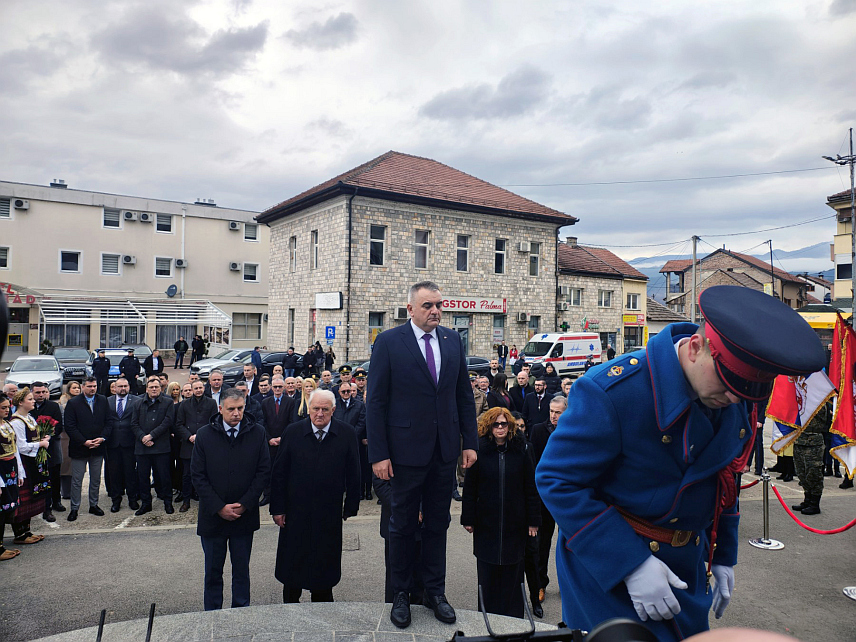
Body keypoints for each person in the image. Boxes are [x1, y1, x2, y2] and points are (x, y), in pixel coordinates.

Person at [535, 286, 827, 640]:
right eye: (728, 382)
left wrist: (722, 553)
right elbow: (556, 480)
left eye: (746, 390)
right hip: (609, 569)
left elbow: (726, 478)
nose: (735, 397)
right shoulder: (612, 392)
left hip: (686, 564)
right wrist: (631, 564)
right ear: (695, 348)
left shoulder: (734, 395)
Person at [367, 281, 478, 628]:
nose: (436, 311)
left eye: (439, 305)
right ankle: (401, 594)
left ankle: (435, 592)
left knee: (437, 524)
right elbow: (376, 402)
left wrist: (470, 442)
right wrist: (379, 454)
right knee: (400, 526)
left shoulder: (452, 340)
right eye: (428, 305)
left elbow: (463, 396)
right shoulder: (388, 342)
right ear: (411, 309)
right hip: (403, 453)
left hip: (443, 451)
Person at [271, 389, 360, 603]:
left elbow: (354, 471)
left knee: (323, 568)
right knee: (293, 568)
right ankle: (290, 607)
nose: (320, 414)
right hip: (295, 512)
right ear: (308, 409)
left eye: (325, 410)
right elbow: (279, 473)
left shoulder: (346, 433)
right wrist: (277, 508)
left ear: (333, 410)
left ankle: (322, 610)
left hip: (328, 512)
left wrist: (351, 506)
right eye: (316, 409)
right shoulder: (293, 432)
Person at [191, 387, 270, 610]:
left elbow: (263, 471)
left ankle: (241, 612)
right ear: (220, 409)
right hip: (213, 517)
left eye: (240, 408)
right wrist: (218, 507)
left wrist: (245, 504)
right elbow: (197, 475)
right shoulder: (205, 435)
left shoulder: (257, 433)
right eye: (231, 409)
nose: (236, 413)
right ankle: (213, 613)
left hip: (243, 518)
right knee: (213, 572)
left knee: (241, 571)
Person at [461, 406, 540, 618]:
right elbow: (470, 488)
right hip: (487, 520)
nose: (500, 428)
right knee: (487, 571)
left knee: (513, 570)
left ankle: (513, 620)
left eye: (504, 423)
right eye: (496, 424)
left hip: (515, 521)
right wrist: (468, 518)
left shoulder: (521, 449)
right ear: (489, 426)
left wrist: (533, 520)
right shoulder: (479, 450)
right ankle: (487, 616)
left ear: (510, 426)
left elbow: (530, 487)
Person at [529, 395, 567, 604]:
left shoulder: (574, 429)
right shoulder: (538, 430)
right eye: (551, 411)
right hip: (544, 497)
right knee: (541, 544)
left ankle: (567, 583)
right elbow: (533, 462)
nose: (553, 416)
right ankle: (540, 584)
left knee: (567, 542)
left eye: (558, 412)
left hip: (566, 497)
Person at [7, 388, 51, 545]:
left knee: (32, 496)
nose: (34, 401)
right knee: (23, 497)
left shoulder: (30, 418)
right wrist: (41, 444)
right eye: (30, 399)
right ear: (21, 402)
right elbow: (21, 446)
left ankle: (26, 530)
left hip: (33, 461)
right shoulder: (17, 422)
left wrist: (44, 437)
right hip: (24, 462)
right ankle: (19, 533)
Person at [64, 377, 110, 521]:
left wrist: (102, 437)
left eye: (94, 386)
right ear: (83, 387)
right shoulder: (73, 403)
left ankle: (93, 505)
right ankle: (74, 508)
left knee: (95, 479)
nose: (92, 389)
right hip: (80, 448)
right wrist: (84, 441)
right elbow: (70, 426)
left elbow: (109, 422)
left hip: (98, 447)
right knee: (77, 480)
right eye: (89, 386)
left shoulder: (103, 400)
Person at [132, 377, 176, 516]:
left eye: (156, 387)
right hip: (142, 447)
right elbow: (134, 424)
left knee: (164, 476)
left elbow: (167, 422)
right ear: (147, 389)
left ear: (160, 388)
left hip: (161, 446)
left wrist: (151, 436)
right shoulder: (138, 403)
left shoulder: (168, 402)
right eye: (151, 387)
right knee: (143, 477)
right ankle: (146, 504)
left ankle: (168, 502)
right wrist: (143, 438)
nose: (154, 389)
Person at [176, 380, 218, 512]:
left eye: (200, 388)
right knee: (187, 475)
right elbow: (179, 424)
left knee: (207, 474)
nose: (198, 390)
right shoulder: (184, 404)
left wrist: (201, 436)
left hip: (205, 444)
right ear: (192, 390)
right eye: (196, 388)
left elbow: (214, 422)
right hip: (188, 444)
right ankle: (186, 500)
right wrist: (189, 436)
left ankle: (206, 500)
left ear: (204, 388)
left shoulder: (211, 403)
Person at [790, 400, 833, 516]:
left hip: (813, 440)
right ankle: (807, 500)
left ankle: (814, 504)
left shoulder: (819, 399)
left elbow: (822, 418)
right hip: (800, 439)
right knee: (802, 472)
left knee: (813, 473)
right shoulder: (801, 399)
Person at [105, 376, 141, 513]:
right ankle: (116, 500)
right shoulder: (107, 401)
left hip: (130, 443)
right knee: (114, 474)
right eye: (120, 386)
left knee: (130, 473)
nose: (123, 388)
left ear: (129, 387)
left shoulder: (136, 401)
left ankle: (132, 499)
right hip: (112, 444)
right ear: (115, 388)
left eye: (125, 386)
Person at [30, 382, 64, 522]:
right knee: (41, 478)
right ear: (32, 392)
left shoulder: (53, 406)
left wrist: (49, 436)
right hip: (35, 447)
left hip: (52, 446)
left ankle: (56, 501)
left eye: (43, 392)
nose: (41, 395)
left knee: (55, 475)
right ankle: (45, 507)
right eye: (37, 392)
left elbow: (59, 425)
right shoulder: (29, 407)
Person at [260, 376, 295, 506]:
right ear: (271, 387)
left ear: (284, 387)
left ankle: (284, 495)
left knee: (284, 469)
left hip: (284, 442)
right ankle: (268, 495)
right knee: (268, 470)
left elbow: (291, 422)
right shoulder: (265, 402)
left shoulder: (290, 402)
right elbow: (262, 422)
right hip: (269, 443)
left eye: (280, 387)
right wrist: (269, 439)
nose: (277, 389)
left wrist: (282, 438)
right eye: (275, 387)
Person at [333, 382, 369, 499]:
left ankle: (358, 491)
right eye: (343, 392)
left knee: (357, 467)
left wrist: (351, 435)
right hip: (338, 441)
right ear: (339, 392)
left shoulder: (359, 405)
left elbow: (362, 422)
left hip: (355, 441)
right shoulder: (335, 405)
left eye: (348, 391)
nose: (346, 393)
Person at [0, 392, 23, 561]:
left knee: (8, 506)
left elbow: (15, 450)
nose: (7, 410)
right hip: (1, 470)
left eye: (8, 407)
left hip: (11, 469)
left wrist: (20, 472)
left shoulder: (7, 424)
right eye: (3, 408)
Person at [58, 380, 81, 500]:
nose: (77, 390)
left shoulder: (82, 401)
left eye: (78, 388)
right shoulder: (64, 402)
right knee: (66, 465)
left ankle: (74, 490)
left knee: (75, 465)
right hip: (66, 436)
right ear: (68, 390)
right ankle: (66, 492)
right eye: (74, 388)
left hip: (79, 436)